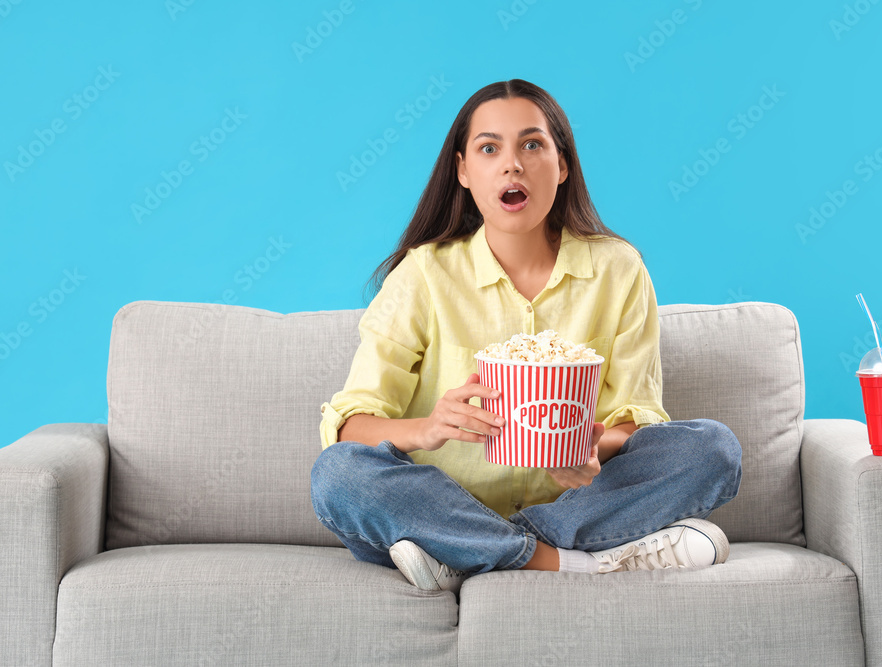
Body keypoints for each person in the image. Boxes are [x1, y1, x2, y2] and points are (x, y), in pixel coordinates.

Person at [311, 79, 742, 593]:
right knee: (339, 475)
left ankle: (465, 553)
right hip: (437, 501)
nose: (512, 164)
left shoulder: (618, 269)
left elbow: (638, 416)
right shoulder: (422, 274)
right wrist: (427, 429)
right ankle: (566, 561)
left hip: (568, 505)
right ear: (464, 171)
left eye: (532, 144)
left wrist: (593, 446)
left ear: (562, 166)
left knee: (712, 449)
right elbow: (351, 423)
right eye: (489, 148)